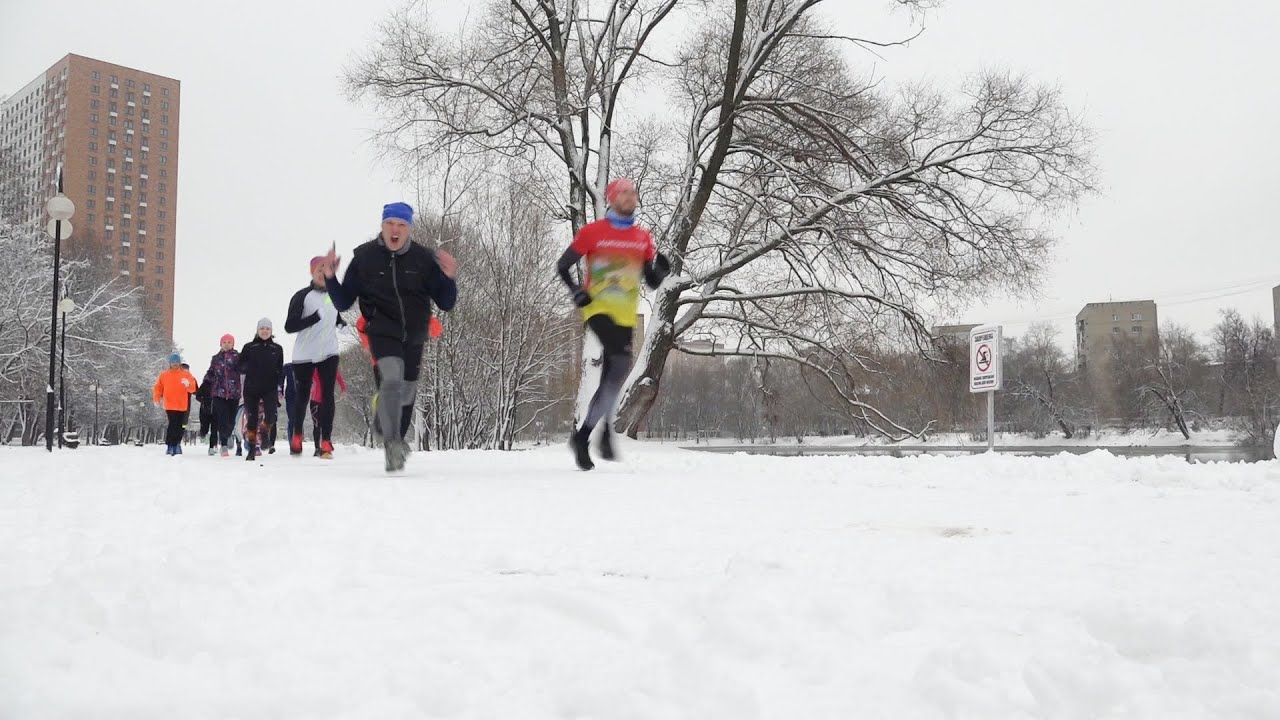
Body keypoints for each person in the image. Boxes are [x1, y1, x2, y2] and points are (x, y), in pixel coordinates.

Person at [322, 201, 457, 472]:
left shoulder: (423, 259)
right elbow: (343, 302)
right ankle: (392, 441)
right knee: (392, 378)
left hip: (416, 333)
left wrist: (449, 278)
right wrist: (330, 278)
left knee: (406, 393)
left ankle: (390, 435)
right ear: (382, 225)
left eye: (401, 225)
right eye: (390, 224)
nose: (395, 230)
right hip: (381, 330)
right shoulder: (364, 258)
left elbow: (445, 303)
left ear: (409, 228)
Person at [556, 177, 669, 470]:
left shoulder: (642, 237)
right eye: (625, 192)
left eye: (634, 192)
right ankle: (597, 434)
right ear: (612, 198)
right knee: (618, 365)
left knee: (613, 376)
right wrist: (577, 291)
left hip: (625, 316)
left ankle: (587, 436)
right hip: (598, 309)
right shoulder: (592, 232)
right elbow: (563, 266)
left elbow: (652, 281)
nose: (632, 196)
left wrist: (661, 269)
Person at [285, 257, 345, 457]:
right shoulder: (302, 296)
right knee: (303, 395)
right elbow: (289, 326)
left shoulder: (333, 295)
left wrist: (341, 324)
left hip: (328, 351)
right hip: (305, 354)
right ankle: (298, 434)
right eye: (319, 269)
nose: (322, 272)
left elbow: (333, 315)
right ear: (312, 272)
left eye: (326, 269)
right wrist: (312, 319)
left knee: (328, 395)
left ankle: (326, 441)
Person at [238, 317, 284, 461]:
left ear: (271, 331)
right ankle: (251, 449)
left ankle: (264, 431)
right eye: (262, 328)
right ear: (257, 331)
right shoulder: (249, 347)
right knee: (251, 420)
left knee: (271, 416)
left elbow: (280, 370)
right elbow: (240, 366)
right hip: (251, 388)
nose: (265, 331)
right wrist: (247, 367)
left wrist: (279, 388)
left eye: (267, 329)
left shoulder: (277, 349)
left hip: (269, 388)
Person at [203, 334, 242, 457]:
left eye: (229, 342)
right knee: (222, 418)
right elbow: (210, 372)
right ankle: (224, 445)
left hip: (234, 393)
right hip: (218, 393)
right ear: (220, 344)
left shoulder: (238, 357)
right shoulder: (216, 358)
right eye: (224, 342)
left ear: (233, 344)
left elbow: (244, 370)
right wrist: (205, 384)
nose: (226, 344)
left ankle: (228, 434)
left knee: (231, 420)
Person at [153, 353, 199, 456]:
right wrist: (157, 398)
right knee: (172, 424)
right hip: (169, 404)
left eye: (177, 362)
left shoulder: (186, 374)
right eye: (173, 362)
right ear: (170, 363)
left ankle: (176, 444)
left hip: (182, 404)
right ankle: (170, 445)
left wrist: (188, 385)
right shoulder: (164, 375)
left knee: (179, 426)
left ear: (179, 363)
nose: (175, 364)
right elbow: (158, 387)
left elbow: (193, 388)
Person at [309, 367, 347, 457]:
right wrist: (343, 389)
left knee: (322, 424)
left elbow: (339, 377)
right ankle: (319, 447)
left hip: (323, 400)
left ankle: (323, 445)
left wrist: (343, 389)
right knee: (320, 424)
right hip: (318, 400)